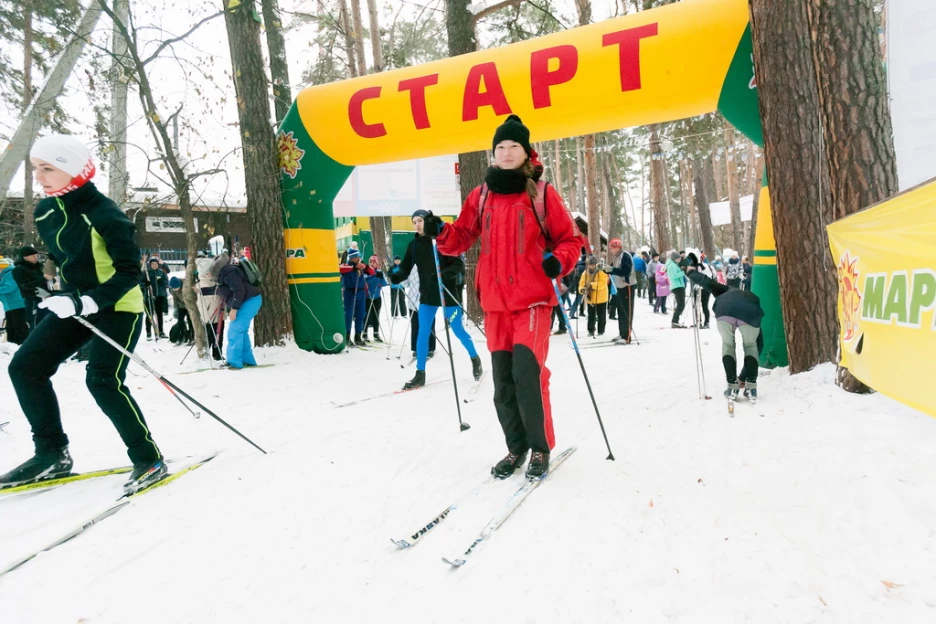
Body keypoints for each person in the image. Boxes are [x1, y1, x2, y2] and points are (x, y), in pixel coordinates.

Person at [0, 134, 165, 494]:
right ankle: (52, 453)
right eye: (35, 169)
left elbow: (128, 272)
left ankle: (147, 457)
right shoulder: (45, 210)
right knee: (25, 367)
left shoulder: (105, 213)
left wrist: (88, 301)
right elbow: (70, 263)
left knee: (102, 379)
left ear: (73, 169)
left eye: (48, 168)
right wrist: (63, 295)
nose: (38, 176)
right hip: (75, 304)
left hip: (118, 305)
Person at [428, 114, 582, 480]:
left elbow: (572, 240)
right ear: (493, 154)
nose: (507, 152)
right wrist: (439, 230)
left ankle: (540, 448)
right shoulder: (481, 196)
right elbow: (461, 237)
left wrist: (557, 262)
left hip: (531, 301)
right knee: (503, 384)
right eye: (501, 147)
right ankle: (516, 447)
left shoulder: (541, 194)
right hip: (495, 306)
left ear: (526, 152)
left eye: (514, 146)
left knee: (527, 374)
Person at [391, 210, 481, 389]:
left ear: (427, 221)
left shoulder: (442, 241)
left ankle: (475, 358)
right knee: (423, 333)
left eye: (420, 220)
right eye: (414, 221)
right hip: (428, 296)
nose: (417, 224)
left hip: (447, 293)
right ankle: (420, 373)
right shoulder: (414, 245)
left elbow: (458, 265)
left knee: (458, 331)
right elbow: (406, 268)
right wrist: (396, 276)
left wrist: (443, 276)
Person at [685, 254, 764, 401]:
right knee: (751, 346)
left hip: (725, 312)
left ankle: (732, 387)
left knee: (728, 345)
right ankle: (751, 388)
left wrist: (690, 272)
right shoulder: (752, 297)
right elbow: (760, 342)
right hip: (750, 313)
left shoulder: (724, 290)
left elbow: (706, 282)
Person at [211, 252, 263, 368]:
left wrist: (234, 308)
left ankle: (234, 362)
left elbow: (239, 290)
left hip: (249, 301)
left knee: (234, 331)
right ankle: (248, 360)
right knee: (241, 331)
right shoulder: (224, 274)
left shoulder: (228, 272)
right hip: (248, 301)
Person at [339, 248, 373, 346]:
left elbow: (371, 272)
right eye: (357, 256)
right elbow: (340, 269)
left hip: (361, 293)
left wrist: (365, 267)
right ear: (352, 257)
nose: (359, 258)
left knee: (361, 314)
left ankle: (358, 336)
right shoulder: (346, 265)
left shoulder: (361, 265)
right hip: (350, 292)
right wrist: (353, 268)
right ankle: (347, 336)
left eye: (359, 256)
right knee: (348, 315)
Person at [604, 239, 635, 344]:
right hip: (619, 287)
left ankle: (627, 336)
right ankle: (622, 333)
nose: (611, 250)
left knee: (627, 311)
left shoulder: (625, 256)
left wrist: (611, 270)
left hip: (627, 286)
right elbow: (612, 268)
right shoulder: (616, 256)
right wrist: (606, 269)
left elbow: (626, 271)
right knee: (621, 311)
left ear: (618, 247)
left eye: (612, 248)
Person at [195, 250, 225, 360]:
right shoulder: (202, 281)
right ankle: (207, 352)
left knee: (220, 332)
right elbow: (207, 291)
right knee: (210, 333)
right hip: (209, 314)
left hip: (218, 311)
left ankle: (218, 353)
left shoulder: (214, 280)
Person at [12, 245, 47, 334]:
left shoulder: (39, 267)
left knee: (46, 322)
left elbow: (46, 281)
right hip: (32, 299)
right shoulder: (18, 269)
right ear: (25, 257)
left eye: (36, 256)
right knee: (35, 323)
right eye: (33, 256)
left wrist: (50, 279)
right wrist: (45, 278)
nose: (36, 258)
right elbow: (25, 286)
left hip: (45, 297)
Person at [578, 255, 609, 337]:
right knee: (591, 315)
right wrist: (582, 289)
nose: (591, 266)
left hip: (601, 297)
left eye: (593, 264)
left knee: (601, 315)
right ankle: (591, 330)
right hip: (590, 297)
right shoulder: (585, 273)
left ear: (596, 264)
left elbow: (602, 284)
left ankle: (601, 331)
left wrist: (591, 285)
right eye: (590, 264)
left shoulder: (602, 272)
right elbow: (581, 284)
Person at [0, 261, 28, 344]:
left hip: (17, 304)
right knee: (10, 327)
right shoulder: (3, 275)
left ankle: (23, 344)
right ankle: (12, 345)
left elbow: (10, 287)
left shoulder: (10, 274)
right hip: (9, 305)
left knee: (19, 326)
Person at [142, 257, 168, 340]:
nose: (154, 265)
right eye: (152, 264)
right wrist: (145, 284)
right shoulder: (146, 273)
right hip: (150, 296)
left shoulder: (161, 272)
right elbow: (140, 282)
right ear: (150, 265)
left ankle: (161, 331)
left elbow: (166, 282)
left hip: (160, 295)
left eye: (156, 264)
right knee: (149, 315)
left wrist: (162, 282)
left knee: (159, 314)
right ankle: (149, 333)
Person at [363, 255, 387, 342]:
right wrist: (374, 276)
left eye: (374, 262)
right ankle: (364, 333)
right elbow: (366, 280)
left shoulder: (379, 272)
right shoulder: (366, 271)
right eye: (370, 262)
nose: (372, 264)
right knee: (366, 315)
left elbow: (384, 283)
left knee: (376, 315)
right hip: (367, 297)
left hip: (377, 297)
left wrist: (381, 276)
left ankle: (376, 333)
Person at [167, 276, 194, 344]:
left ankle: (192, 337)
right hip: (181, 305)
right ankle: (181, 336)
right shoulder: (172, 289)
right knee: (180, 320)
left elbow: (192, 296)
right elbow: (175, 298)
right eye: (174, 288)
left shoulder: (186, 285)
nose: (175, 289)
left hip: (190, 305)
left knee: (190, 320)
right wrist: (176, 308)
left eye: (176, 288)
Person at [666, 251, 687, 328]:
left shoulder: (674, 265)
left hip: (678, 285)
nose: (680, 259)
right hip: (677, 286)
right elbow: (674, 276)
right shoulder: (672, 265)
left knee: (680, 305)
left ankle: (675, 321)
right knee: (681, 305)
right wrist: (683, 272)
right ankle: (674, 321)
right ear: (675, 259)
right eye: (678, 258)